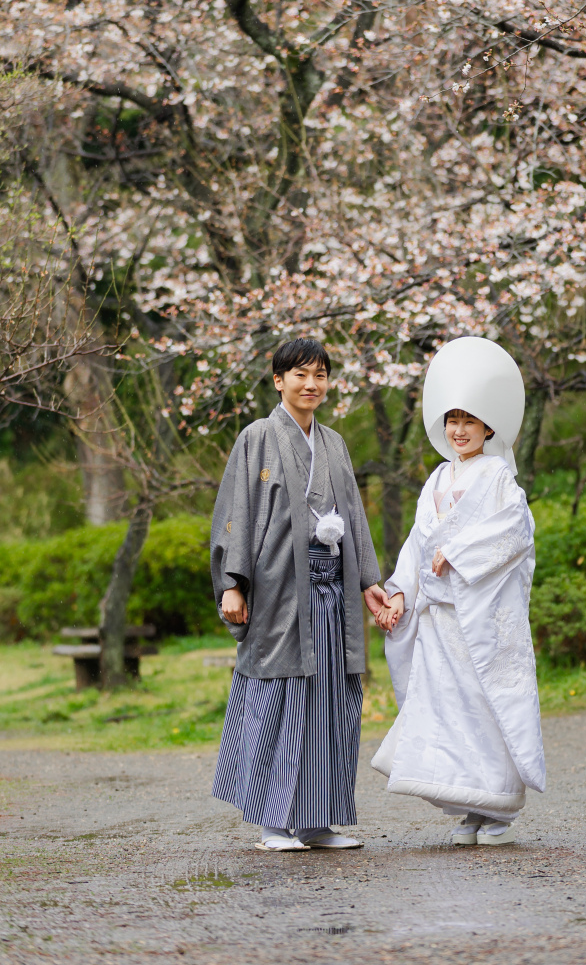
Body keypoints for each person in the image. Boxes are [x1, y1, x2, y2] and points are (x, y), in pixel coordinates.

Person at [210, 337, 391, 851]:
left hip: (330, 593)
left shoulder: (334, 442)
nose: (311, 385)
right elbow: (235, 512)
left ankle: (316, 821)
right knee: (281, 697)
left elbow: (353, 516)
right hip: (278, 594)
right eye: (300, 375)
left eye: (320, 376)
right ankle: (273, 824)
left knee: (329, 702)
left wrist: (369, 582)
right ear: (278, 380)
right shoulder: (257, 437)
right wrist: (231, 583)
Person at [372, 336, 545, 847]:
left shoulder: (498, 479)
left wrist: (462, 552)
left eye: (470, 422)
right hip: (440, 620)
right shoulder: (436, 480)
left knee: (484, 705)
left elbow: (515, 531)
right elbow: (416, 543)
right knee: (448, 710)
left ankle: (497, 810)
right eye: (453, 421)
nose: (460, 431)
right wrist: (401, 590)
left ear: (488, 426)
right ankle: (470, 807)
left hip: (480, 618)